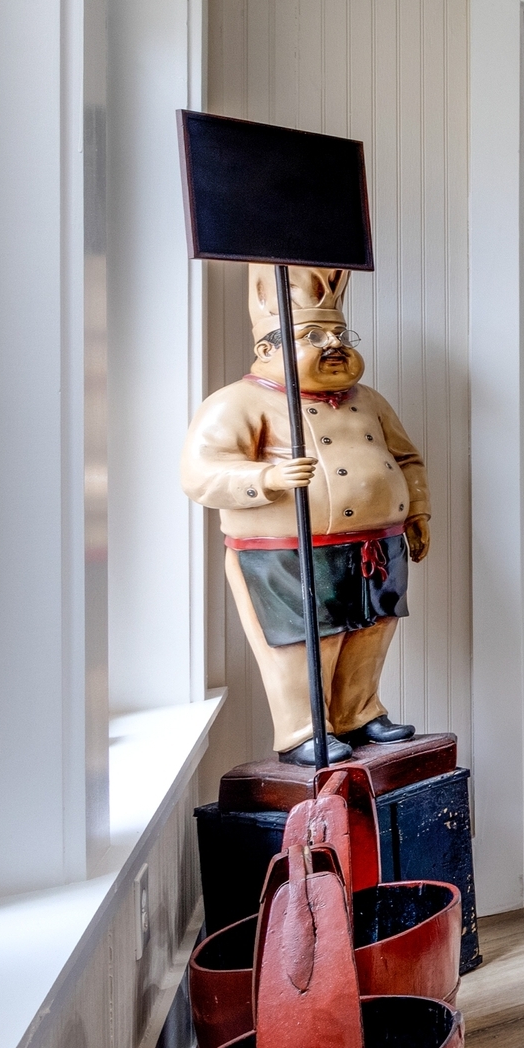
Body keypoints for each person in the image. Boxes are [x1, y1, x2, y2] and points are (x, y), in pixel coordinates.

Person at [182, 267, 431, 763]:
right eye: (312, 336)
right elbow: (200, 474)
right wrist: (266, 480)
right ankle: (302, 731)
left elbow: (406, 458)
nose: (333, 344)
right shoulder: (238, 402)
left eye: (339, 335)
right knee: (304, 644)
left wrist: (417, 510)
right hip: (287, 553)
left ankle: (359, 714)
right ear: (267, 349)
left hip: (377, 543)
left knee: (371, 629)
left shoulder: (369, 401)